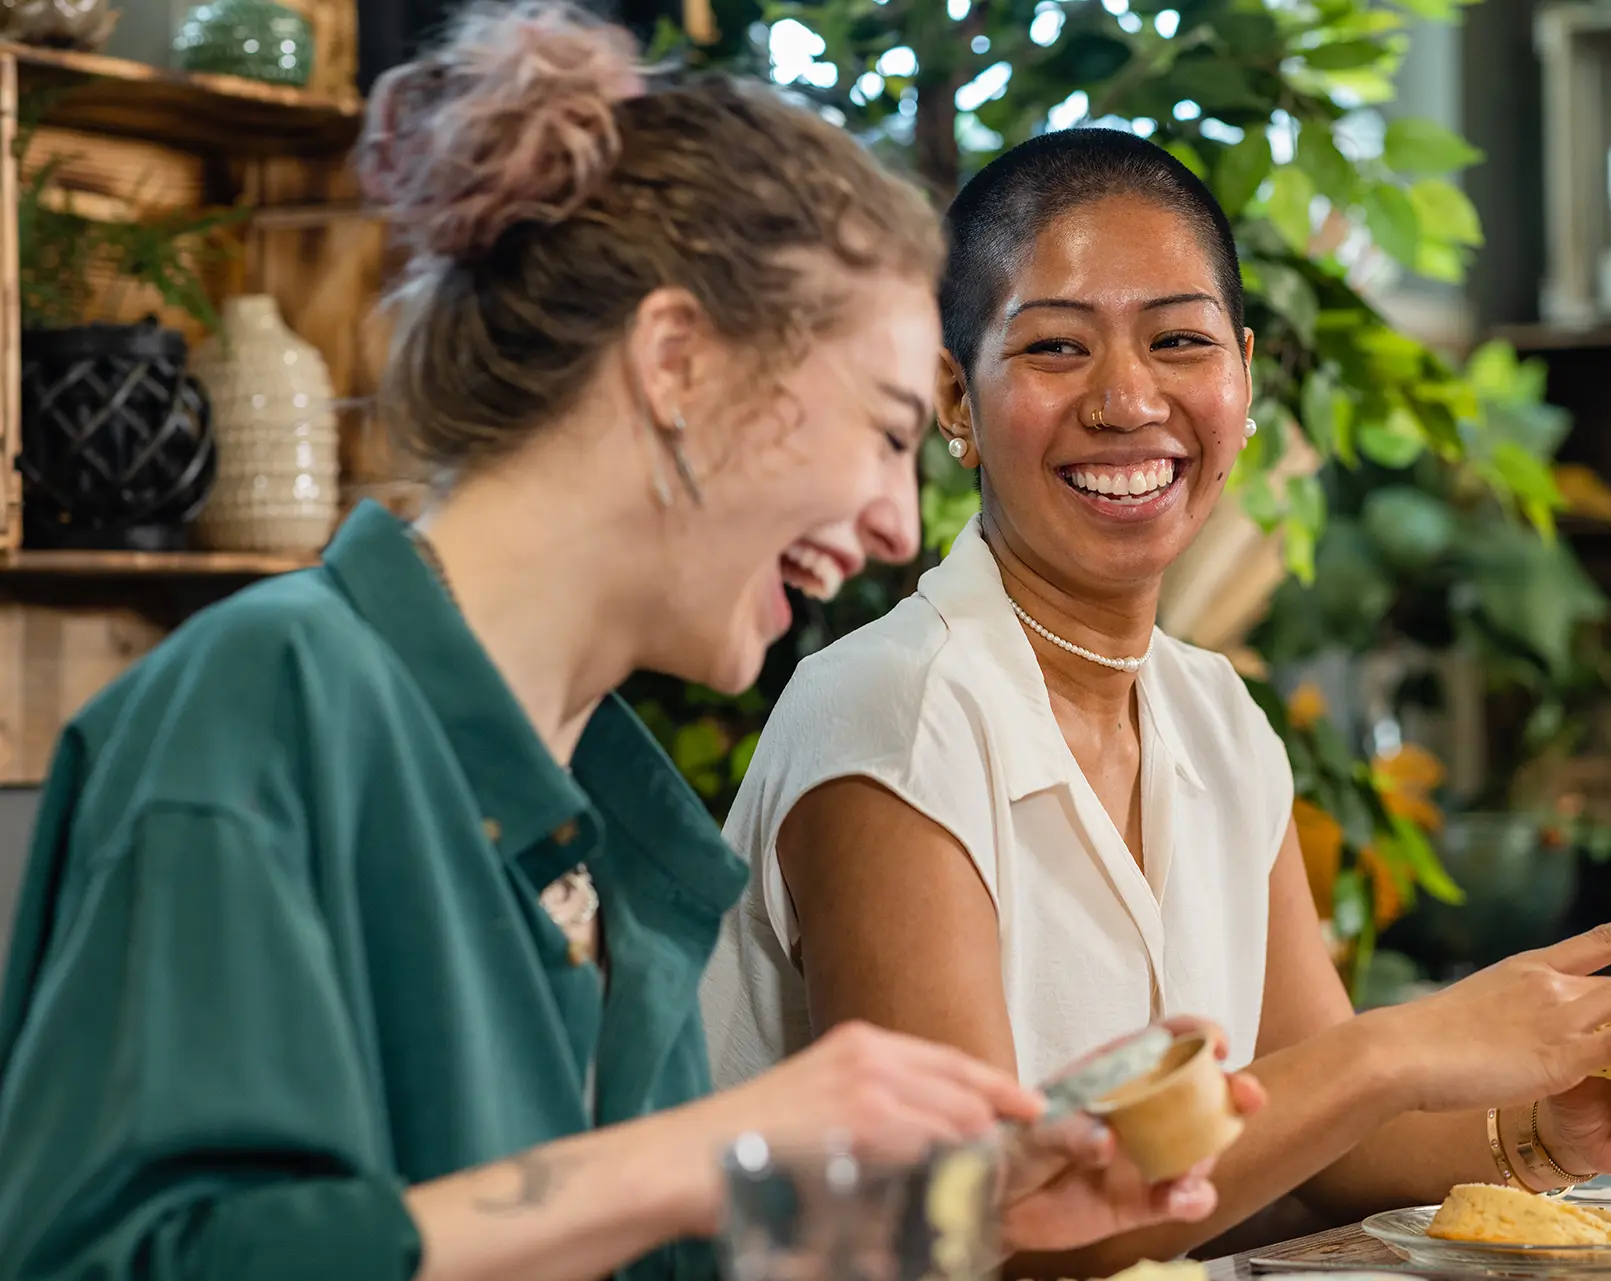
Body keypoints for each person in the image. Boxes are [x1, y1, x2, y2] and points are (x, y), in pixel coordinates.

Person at [0, 12, 1257, 1281]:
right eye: (884, 429)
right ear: (677, 364)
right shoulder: (264, 705)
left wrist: (928, 1220)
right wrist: (711, 1153)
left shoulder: (607, 814)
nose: (893, 526)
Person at [701, 127, 1611, 1272]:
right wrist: (1400, 1047)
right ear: (956, 396)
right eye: (1055, 348)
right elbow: (973, 1231)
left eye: (1180, 341)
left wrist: (1545, 1132)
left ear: (1242, 378)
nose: (1127, 399)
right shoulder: (892, 714)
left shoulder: (1216, 716)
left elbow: (1327, 1150)